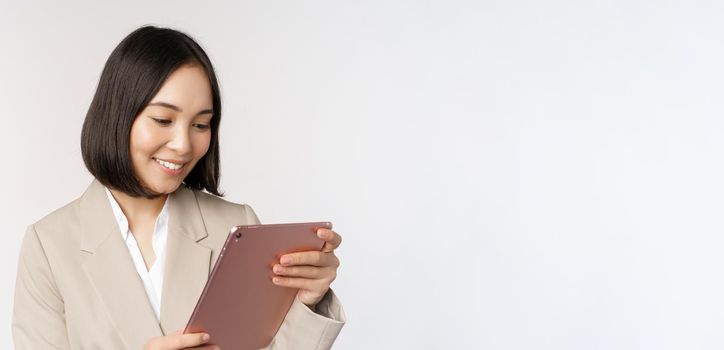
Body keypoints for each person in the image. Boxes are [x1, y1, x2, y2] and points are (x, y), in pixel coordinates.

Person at [12, 25, 346, 349]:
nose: (184, 145)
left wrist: (308, 301)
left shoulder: (236, 226)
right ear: (117, 115)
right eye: (163, 120)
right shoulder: (49, 246)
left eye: (201, 124)